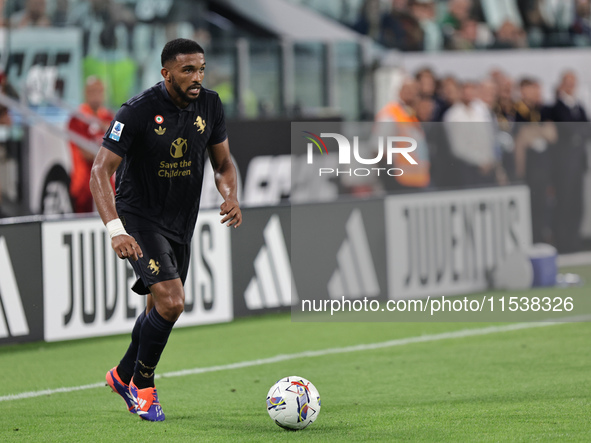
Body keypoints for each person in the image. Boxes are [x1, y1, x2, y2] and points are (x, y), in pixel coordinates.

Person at [89, 38, 242, 422]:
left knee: (159, 306)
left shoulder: (210, 104)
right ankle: (142, 385)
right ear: (166, 73)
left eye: (201, 69)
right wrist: (115, 230)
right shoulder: (137, 111)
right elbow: (99, 171)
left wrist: (231, 195)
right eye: (188, 70)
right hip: (139, 217)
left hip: (180, 220)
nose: (197, 78)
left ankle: (122, 373)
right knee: (173, 302)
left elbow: (223, 164)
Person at [547, 71, 588, 252]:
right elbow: (567, 129)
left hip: (578, 162)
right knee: (564, 202)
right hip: (564, 164)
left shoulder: (578, 106)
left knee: (577, 203)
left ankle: (574, 239)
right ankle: (563, 241)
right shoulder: (557, 107)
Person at [69, 77, 114, 213]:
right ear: (86, 93)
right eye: (93, 91)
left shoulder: (109, 117)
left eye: (99, 91)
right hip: (84, 185)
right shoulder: (77, 119)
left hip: (108, 183)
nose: (96, 95)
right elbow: (86, 153)